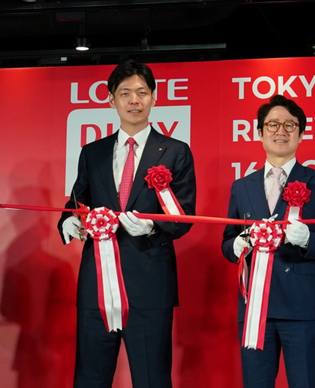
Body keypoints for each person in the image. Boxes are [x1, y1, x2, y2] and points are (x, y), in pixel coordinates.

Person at [57, 59, 196, 388]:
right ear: (111, 100)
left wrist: (151, 227)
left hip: (149, 285)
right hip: (96, 287)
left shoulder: (175, 151)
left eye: (142, 93)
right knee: (90, 377)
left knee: (152, 379)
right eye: (125, 93)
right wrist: (68, 223)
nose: (134, 100)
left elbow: (184, 215)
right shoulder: (93, 152)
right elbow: (77, 202)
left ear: (154, 98)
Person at [222, 94, 315, 388]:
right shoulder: (241, 186)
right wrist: (236, 246)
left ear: (301, 134)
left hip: (301, 307)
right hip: (254, 308)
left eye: (290, 125)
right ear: (259, 132)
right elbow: (226, 243)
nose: (281, 131)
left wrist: (306, 240)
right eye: (273, 124)